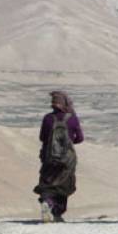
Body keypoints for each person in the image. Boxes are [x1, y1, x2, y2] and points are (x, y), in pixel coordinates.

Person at [34, 91, 84, 222]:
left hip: (49, 157)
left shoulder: (47, 118)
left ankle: (47, 203)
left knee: (47, 183)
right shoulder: (72, 118)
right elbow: (80, 138)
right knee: (64, 184)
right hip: (67, 159)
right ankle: (57, 213)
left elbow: (42, 138)